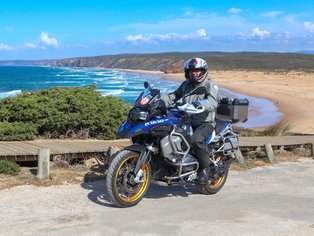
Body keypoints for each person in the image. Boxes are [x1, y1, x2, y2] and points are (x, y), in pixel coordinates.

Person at [161, 58, 219, 183]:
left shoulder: (210, 84)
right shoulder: (186, 85)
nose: (194, 73)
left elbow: (213, 101)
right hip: (187, 120)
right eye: (192, 71)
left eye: (197, 71)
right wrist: (160, 101)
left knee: (195, 141)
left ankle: (205, 168)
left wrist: (200, 104)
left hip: (205, 123)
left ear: (203, 71)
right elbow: (174, 96)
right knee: (170, 136)